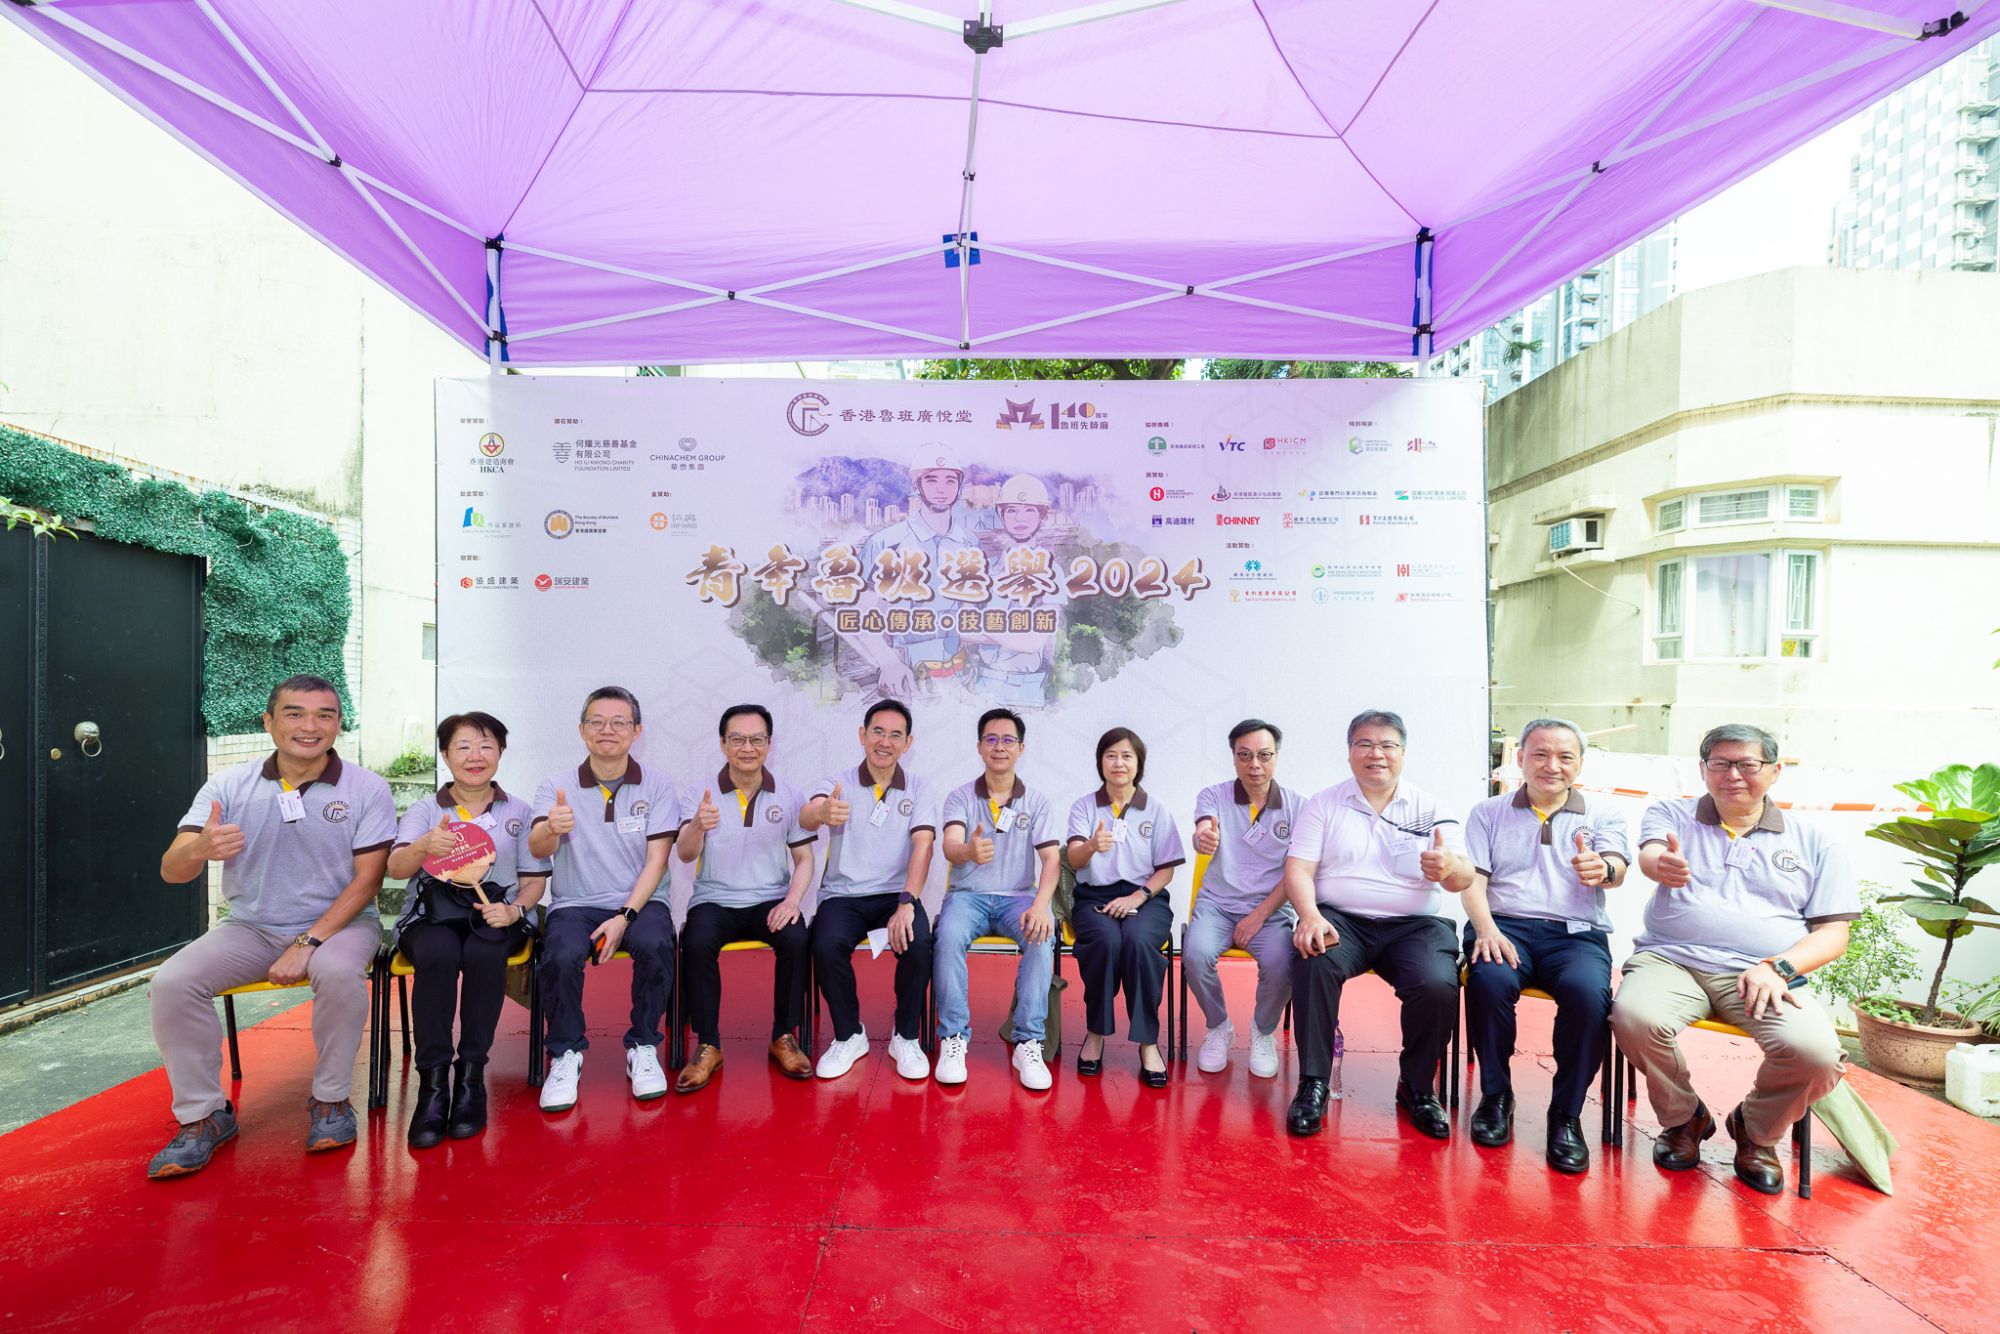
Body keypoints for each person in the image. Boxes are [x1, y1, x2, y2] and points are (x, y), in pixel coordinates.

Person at [148, 675, 395, 1178]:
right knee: (171, 983)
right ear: (268, 721)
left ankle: (330, 1101)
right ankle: (203, 1115)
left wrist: (309, 941)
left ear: (339, 725)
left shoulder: (367, 787)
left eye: (325, 715)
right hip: (252, 927)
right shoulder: (227, 785)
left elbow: (368, 882)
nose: (310, 726)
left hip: (342, 924)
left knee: (338, 971)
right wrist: (199, 848)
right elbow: (173, 870)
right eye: (294, 713)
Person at [1611, 723, 1856, 1195]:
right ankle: (1685, 1119)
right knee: (1634, 1017)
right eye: (1720, 764)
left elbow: (1833, 934)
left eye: (1748, 764)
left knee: (1818, 1056)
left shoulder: (1816, 842)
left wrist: (1777, 967)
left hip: (1763, 972)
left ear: (1775, 771)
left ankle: (1756, 1131)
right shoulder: (1672, 814)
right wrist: (1660, 864)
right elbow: (1650, 854)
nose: (1734, 775)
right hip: (1671, 960)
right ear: (1703, 769)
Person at [1284, 710, 1473, 1139]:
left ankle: (1418, 1086)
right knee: (1313, 960)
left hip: (1414, 925)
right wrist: (1309, 916)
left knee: (1436, 983)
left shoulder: (1431, 808)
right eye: (1365, 744)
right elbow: (1298, 868)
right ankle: (1313, 1082)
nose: (1376, 754)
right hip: (1341, 919)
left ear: (1403, 753)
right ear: (1350, 753)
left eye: (1387, 745)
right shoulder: (1324, 803)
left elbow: (1464, 877)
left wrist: (1447, 867)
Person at [1461, 718, 1631, 1174]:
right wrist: (1486, 930)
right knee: (1490, 981)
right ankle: (1497, 1096)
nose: (1551, 766)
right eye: (1540, 754)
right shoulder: (1488, 812)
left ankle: (1566, 1114)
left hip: (1575, 933)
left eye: (1564, 757)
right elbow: (1473, 881)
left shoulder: (1604, 814)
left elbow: (1616, 866)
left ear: (1579, 763)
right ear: (1520, 758)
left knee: (1586, 995)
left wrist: (1603, 870)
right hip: (1504, 925)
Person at [385, 711, 548, 1147]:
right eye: (463, 746)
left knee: (485, 950)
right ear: (445, 755)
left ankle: (471, 1076)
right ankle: (433, 1081)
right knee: (438, 954)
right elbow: (397, 867)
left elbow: (534, 879)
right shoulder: (426, 809)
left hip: (497, 915)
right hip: (432, 916)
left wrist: (516, 910)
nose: (475, 756)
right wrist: (423, 845)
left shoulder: (520, 811)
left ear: (500, 754)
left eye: (486, 746)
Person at [528, 686, 680, 1112]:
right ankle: (566, 1052)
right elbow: (539, 850)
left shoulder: (659, 784)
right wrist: (551, 828)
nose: (607, 730)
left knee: (655, 944)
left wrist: (624, 916)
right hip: (574, 903)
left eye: (619, 722)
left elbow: (657, 862)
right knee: (558, 956)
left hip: (641, 899)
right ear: (582, 730)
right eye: (597, 722)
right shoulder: (556, 786)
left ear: (637, 731)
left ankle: (643, 1045)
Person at [674, 704, 818, 1093]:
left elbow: (804, 859)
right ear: (723, 744)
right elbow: (686, 855)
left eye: (756, 739)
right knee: (697, 942)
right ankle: (707, 1044)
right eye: (737, 739)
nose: (747, 747)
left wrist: (791, 902)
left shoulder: (788, 794)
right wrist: (697, 828)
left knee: (796, 938)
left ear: (769, 744)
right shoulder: (699, 794)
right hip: (714, 899)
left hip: (770, 899)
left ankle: (783, 1036)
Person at [802, 699, 937, 1081]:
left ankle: (905, 1036)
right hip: (843, 895)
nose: (885, 741)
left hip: (896, 895)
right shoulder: (838, 782)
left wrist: (907, 902)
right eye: (878, 731)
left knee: (919, 942)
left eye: (896, 735)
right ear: (862, 735)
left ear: (907, 743)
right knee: (826, 944)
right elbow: (808, 813)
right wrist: (821, 813)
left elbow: (924, 845)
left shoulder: (920, 788)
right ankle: (849, 1035)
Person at [934, 707, 1062, 1089]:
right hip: (967, 897)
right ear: (979, 747)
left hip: (1017, 897)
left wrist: (1041, 907)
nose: (999, 747)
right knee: (947, 936)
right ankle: (953, 1037)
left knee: (1042, 936)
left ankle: (1028, 1040)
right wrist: (968, 852)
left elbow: (1052, 857)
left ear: (1021, 749)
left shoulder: (1036, 801)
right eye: (991, 739)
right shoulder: (960, 797)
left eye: (1008, 740)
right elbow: (950, 845)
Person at [1064, 727, 1186, 1086]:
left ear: (1138, 764)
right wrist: (1090, 847)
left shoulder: (1156, 808)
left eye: (1127, 756)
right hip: (1094, 897)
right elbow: (1073, 857)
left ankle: (1148, 1042)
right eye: (1111, 755)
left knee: (1137, 943)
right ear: (1100, 762)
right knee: (1106, 942)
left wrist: (1138, 897)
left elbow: (1166, 868)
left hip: (1145, 897)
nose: (1119, 763)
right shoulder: (1084, 806)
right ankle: (1096, 1033)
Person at [1185, 719, 1300, 1079]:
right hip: (1217, 905)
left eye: (1264, 756)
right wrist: (1203, 837)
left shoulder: (1300, 807)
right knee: (1195, 954)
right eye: (1245, 755)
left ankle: (1263, 1032)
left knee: (1284, 964)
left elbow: (1296, 873)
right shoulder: (1214, 795)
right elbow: (1204, 825)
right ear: (1233, 758)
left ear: (1276, 757)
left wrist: (1259, 915)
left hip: (1270, 909)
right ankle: (1218, 1025)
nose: (1255, 765)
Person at [853, 445, 984, 694]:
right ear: (916, 485)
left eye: (950, 480)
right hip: (904, 677)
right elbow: (861, 613)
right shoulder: (886, 542)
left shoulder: (969, 542)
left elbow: (969, 613)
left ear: (959, 485)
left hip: (959, 676)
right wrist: (887, 661)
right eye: (931, 480)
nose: (941, 489)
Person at [968, 473, 1062, 708]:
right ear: (1001, 514)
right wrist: (1011, 634)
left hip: (1025, 688)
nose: (1020, 518)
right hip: (983, 683)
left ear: (1042, 516)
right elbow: (961, 630)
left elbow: (1034, 641)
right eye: (1011, 510)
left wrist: (983, 627)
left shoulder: (1051, 570)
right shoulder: (986, 568)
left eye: (1030, 510)